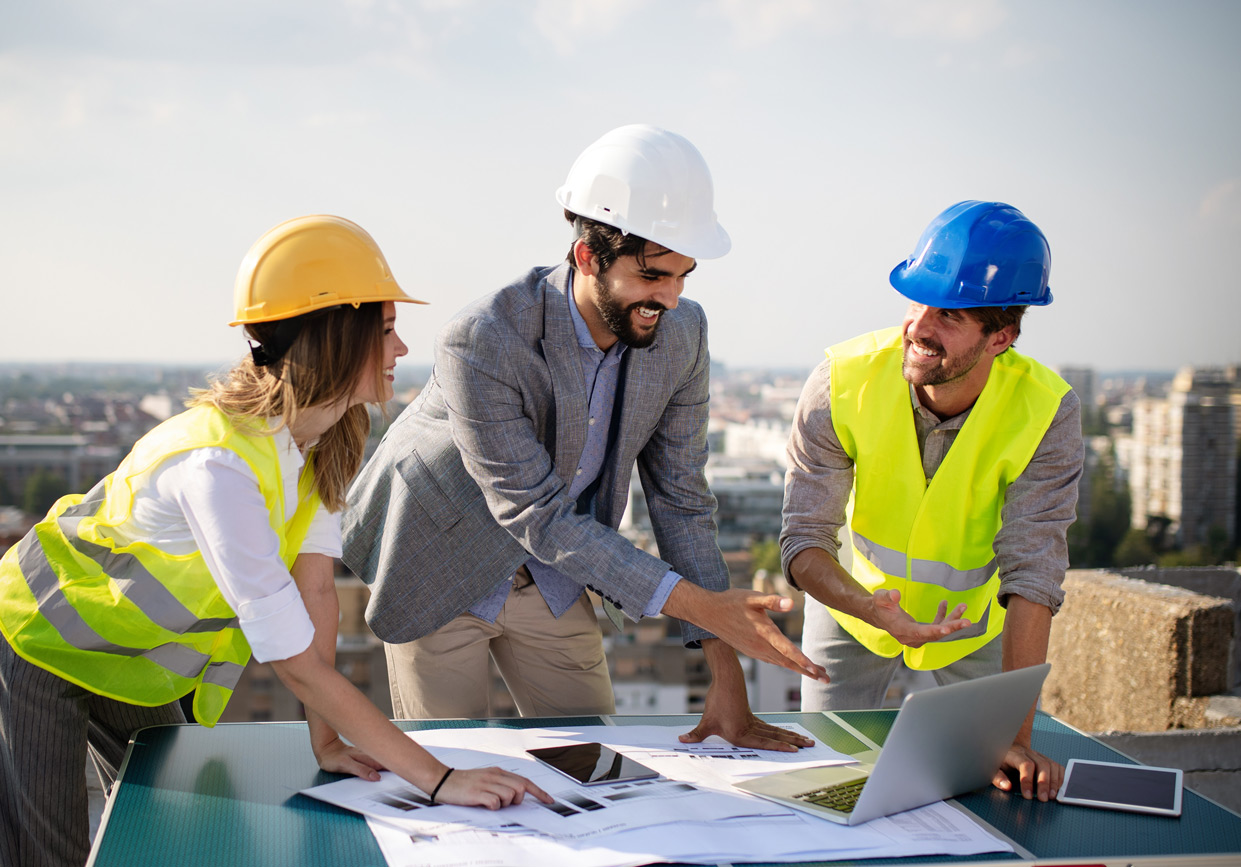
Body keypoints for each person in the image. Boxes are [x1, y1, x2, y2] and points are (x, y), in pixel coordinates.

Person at [0, 215, 548, 867]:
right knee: (50, 856)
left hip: (128, 663)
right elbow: (294, 664)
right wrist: (438, 779)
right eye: (385, 330)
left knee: (180, 835)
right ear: (334, 339)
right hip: (38, 643)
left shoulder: (318, 443)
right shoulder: (216, 468)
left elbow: (316, 590)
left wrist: (328, 741)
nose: (401, 349)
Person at [343, 125, 826, 750]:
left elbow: (680, 497)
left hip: (553, 571)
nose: (672, 298)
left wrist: (726, 679)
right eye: (654, 276)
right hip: (443, 555)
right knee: (453, 770)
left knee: (594, 761)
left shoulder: (683, 335)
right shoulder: (483, 336)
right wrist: (702, 609)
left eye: (684, 275)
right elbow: (534, 511)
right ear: (588, 257)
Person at [780, 200, 1083, 801]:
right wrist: (870, 609)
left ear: (1001, 336)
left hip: (972, 628)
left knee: (990, 785)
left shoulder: (1047, 411)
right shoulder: (841, 380)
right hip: (852, 611)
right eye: (916, 300)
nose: (919, 326)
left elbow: (1034, 571)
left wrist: (1016, 733)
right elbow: (803, 540)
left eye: (948, 314)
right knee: (821, 781)